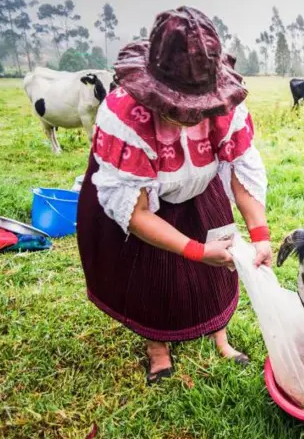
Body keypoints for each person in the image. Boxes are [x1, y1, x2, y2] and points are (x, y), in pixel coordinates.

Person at [76, 6, 272, 385]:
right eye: (181, 108)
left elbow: (241, 170)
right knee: (153, 277)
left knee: (217, 271)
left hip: (200, 190)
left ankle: (220, 336)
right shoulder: (124, 116)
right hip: (148, 202)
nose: (192, 116)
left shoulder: (225, 110)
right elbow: (136, 213)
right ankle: (158, 348)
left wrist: (260, 234)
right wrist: (193, 250)